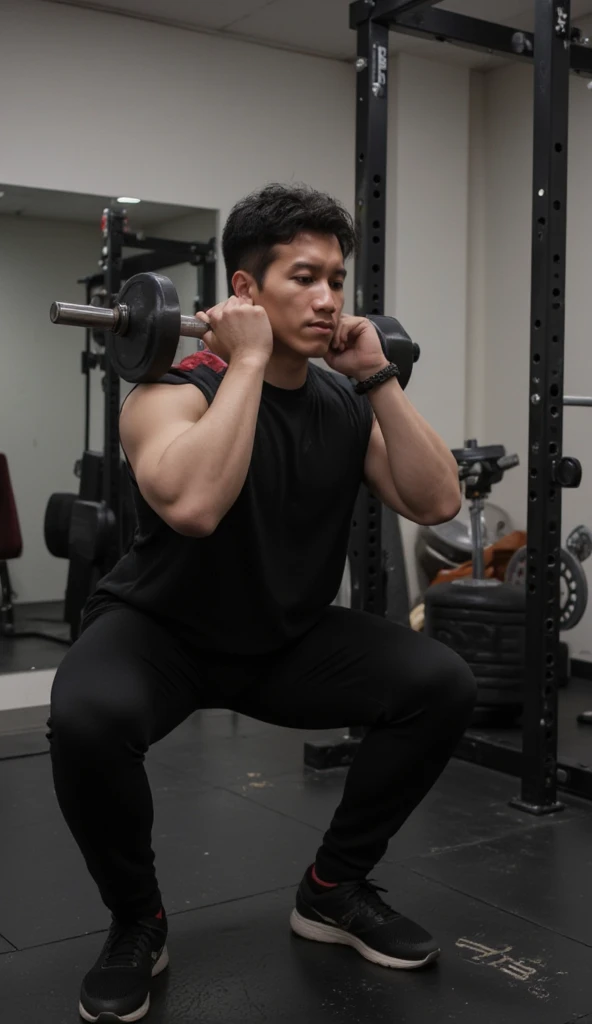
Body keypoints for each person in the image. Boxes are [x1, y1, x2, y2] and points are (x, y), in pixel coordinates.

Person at [48, 183, 476, 1023]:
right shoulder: (170, 391)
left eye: (338, 280)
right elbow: (197, 507)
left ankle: (332, 890)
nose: (328, 300)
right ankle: (138, 920)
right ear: (245, 292)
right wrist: (246, 362)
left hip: (284, 638)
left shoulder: (343, 405)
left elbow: (437, 504)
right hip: (160, 631)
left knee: (440, 683)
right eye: (304, 277)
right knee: (88, 719)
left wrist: (378, 378)